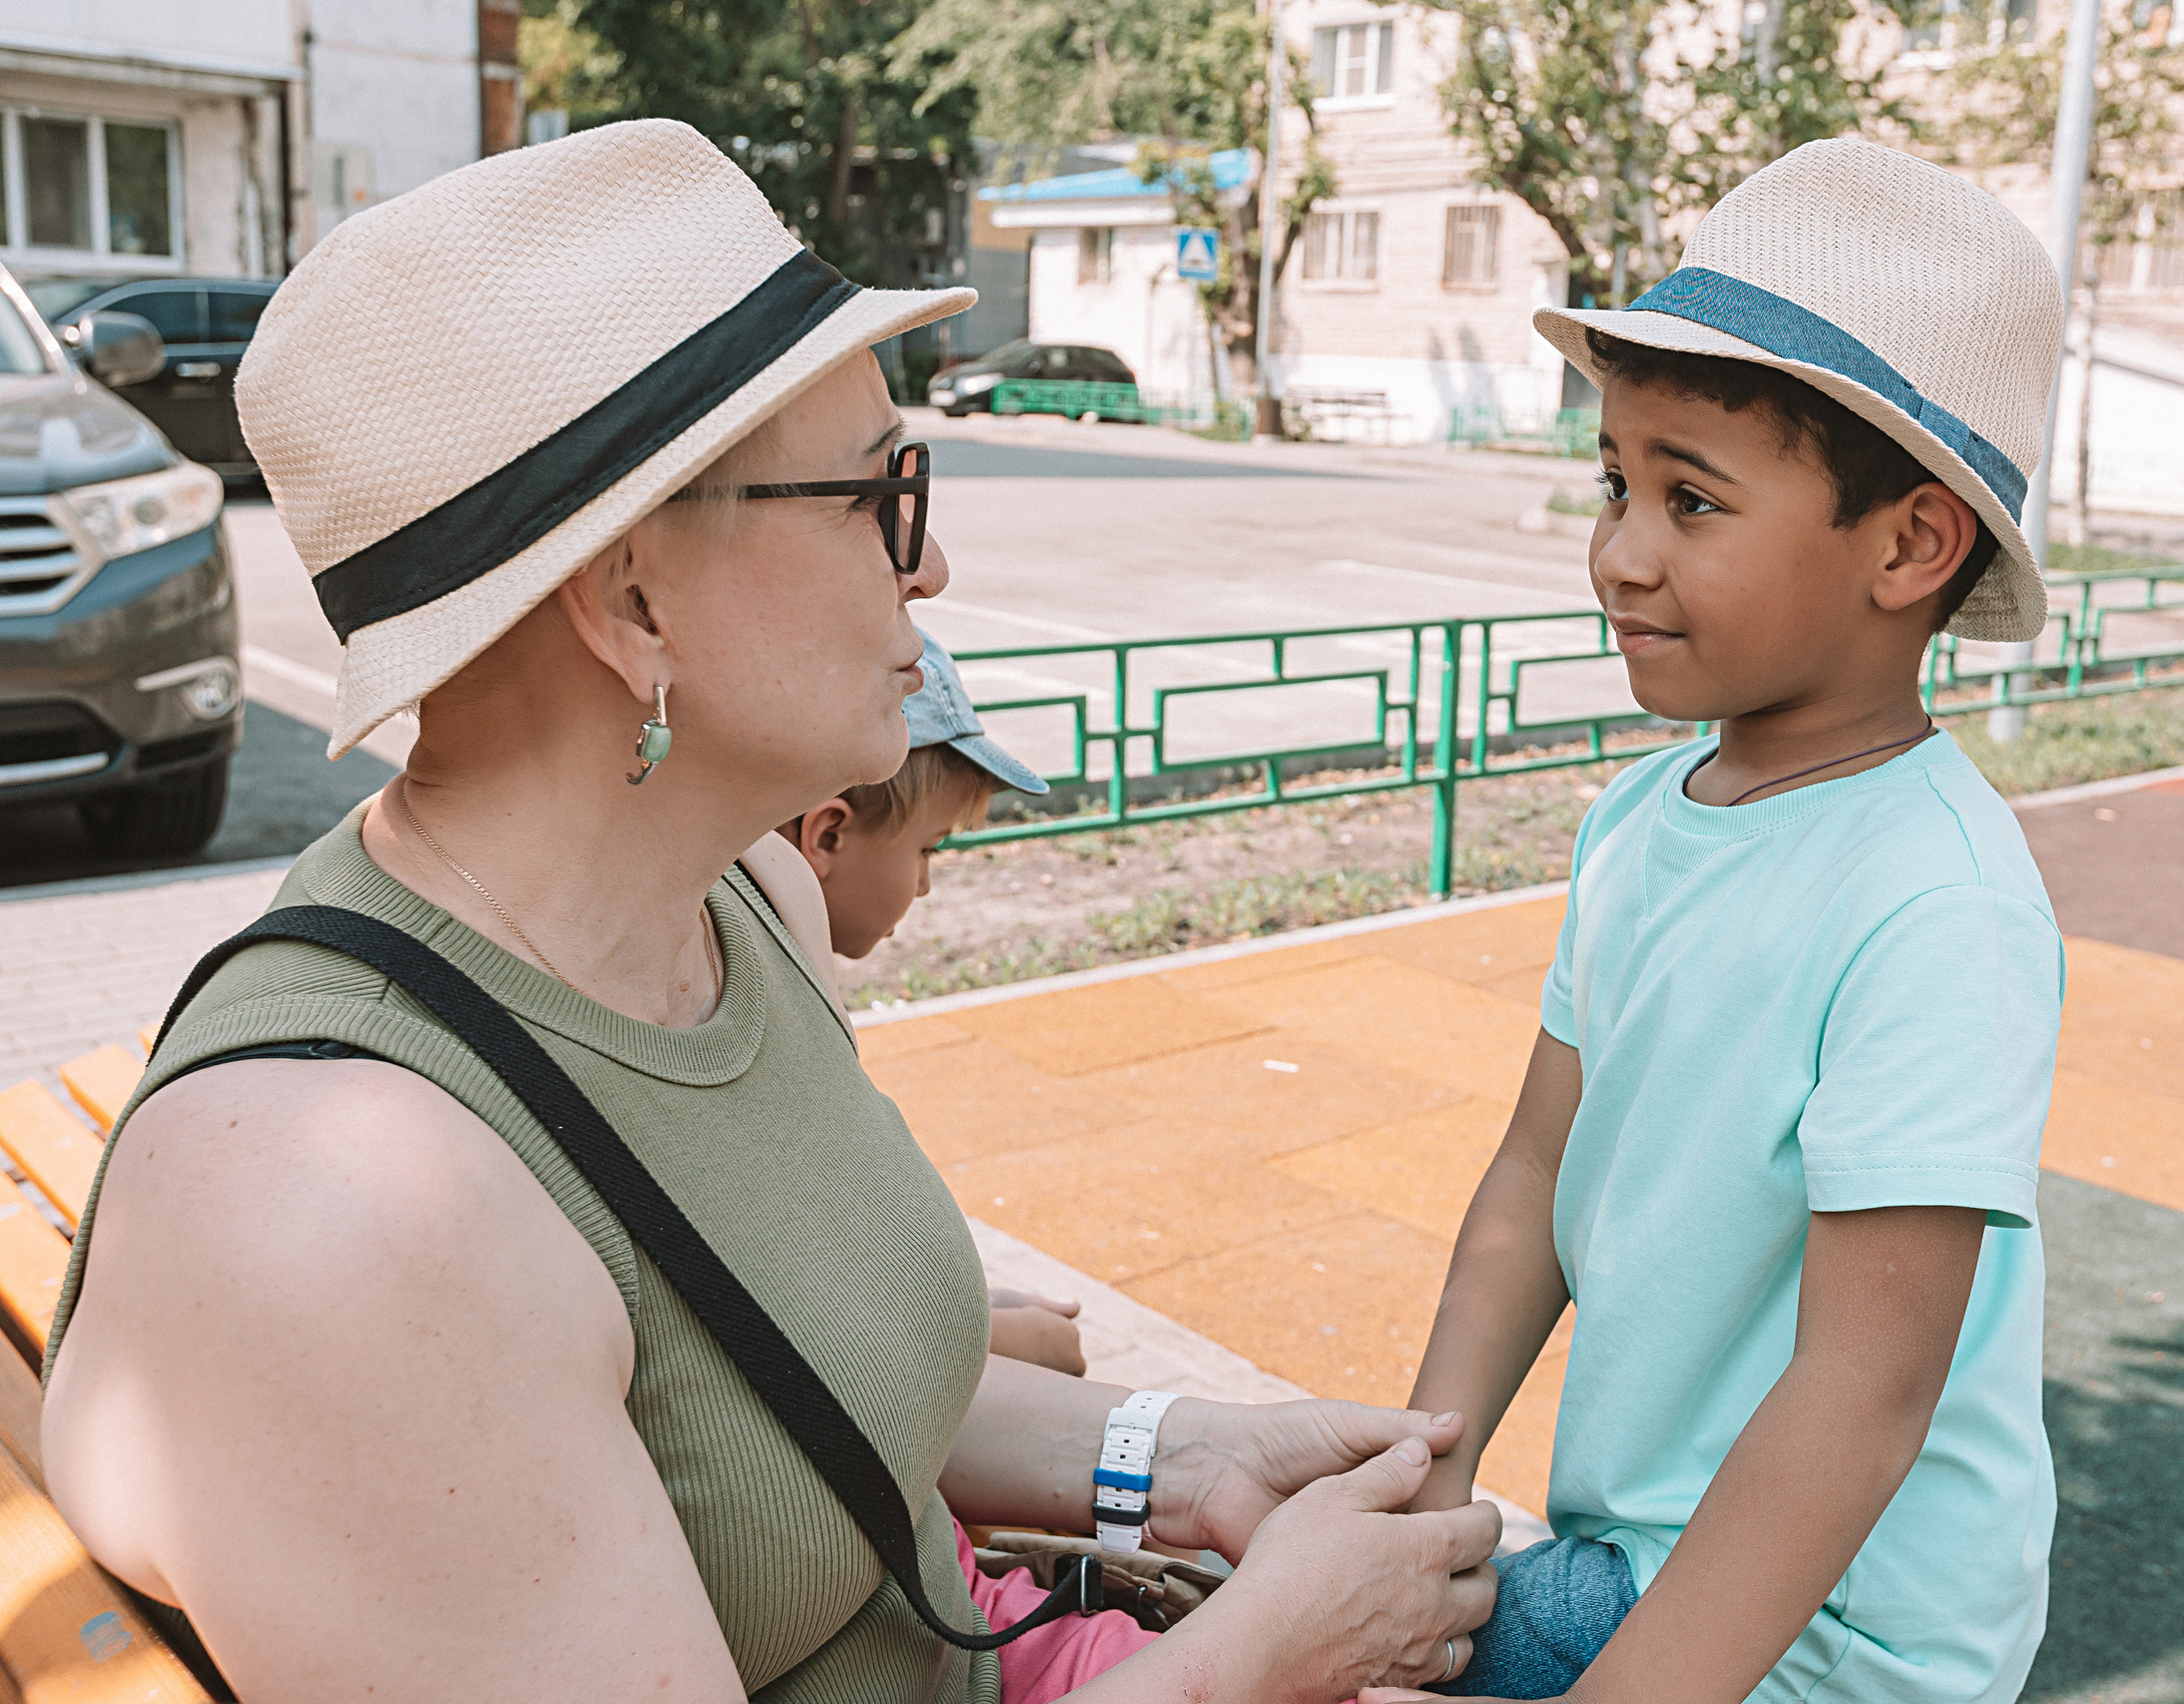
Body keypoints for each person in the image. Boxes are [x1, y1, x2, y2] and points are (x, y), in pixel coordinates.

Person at [39, 120, 1496, 1704]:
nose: (930, 561)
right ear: (635, 596)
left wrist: (1189, 1454)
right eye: (882, 489)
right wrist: (1270, 1644)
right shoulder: (344, 1227)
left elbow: (788, 1392)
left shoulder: (742, 897)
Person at [1371, 140, 2066, 1704]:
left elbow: (1862, 1391)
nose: (1619, 549)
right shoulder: (1641, 817)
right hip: (1653, 1560)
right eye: (1618, 480)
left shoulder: (1934, 902)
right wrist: (1427, 1466)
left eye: (1692, 496)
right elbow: (1535, 1169)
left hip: (1838, 1637)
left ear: (1909, 544)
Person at [785, 631, 1089, 1377]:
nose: (924, 886)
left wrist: (971, 1307)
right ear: (828, 834)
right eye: (929, 848)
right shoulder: (777, 1019)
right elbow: (813, 1316)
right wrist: (997, 1341)